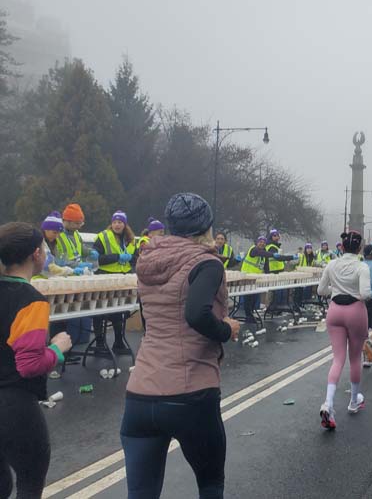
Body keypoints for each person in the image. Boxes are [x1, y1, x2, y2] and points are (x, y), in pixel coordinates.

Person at [121, 192, 241, 499]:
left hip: (140, 394)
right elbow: (196, 314)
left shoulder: (147, 260)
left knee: (141, 493)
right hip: (190, 393)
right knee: (210, 484)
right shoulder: (206, 264)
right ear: (206, 227)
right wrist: (227, 330)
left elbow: (150, 318)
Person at [0, 222, 73, 499]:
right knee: (30, 483)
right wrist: (57, 348)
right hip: (13, 404)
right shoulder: (30, 300)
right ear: (36, 254)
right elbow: (29, 365)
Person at [316, 230, 371, 430]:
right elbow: (365, 294)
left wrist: (336, 291)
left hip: (335, 311)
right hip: (355, 311)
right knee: (355, 358)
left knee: (337, 359)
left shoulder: (331, 264)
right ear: (359, 247)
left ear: (342, 246)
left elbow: (321, 291)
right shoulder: (362, 266)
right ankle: (354, 400)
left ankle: (328, 403)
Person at [92, 210, 137, 355]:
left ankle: (118, 342)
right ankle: (99, 344)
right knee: (99, 310)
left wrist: (130, 258)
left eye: (120, 222)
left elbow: (135, 259)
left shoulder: (130, 240)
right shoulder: (103, 237)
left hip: (121, 279)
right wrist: (117, 257)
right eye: (115, 222)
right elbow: (97, 260)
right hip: (103, 277)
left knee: (119, 311)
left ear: (125, 224)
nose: (117, 225)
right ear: (111, 223)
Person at [56, 203, 98, 268]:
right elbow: (58, 261)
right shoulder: (56, 235)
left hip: (78, 273)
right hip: (64, 275)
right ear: (67, 221)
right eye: (77, 223)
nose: (79, 226)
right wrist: (77, 265)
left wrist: (90, 252)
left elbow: (80, 247)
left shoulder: (76, 233)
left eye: (81, 223)